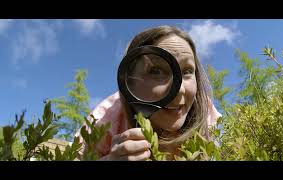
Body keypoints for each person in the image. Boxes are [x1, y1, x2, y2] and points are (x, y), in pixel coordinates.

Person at [78, 25, 221, 161]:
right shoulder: (104, 120)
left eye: (187, 71)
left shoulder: (207, 114)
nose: (180, 90)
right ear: (130, 81)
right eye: (156, 71)